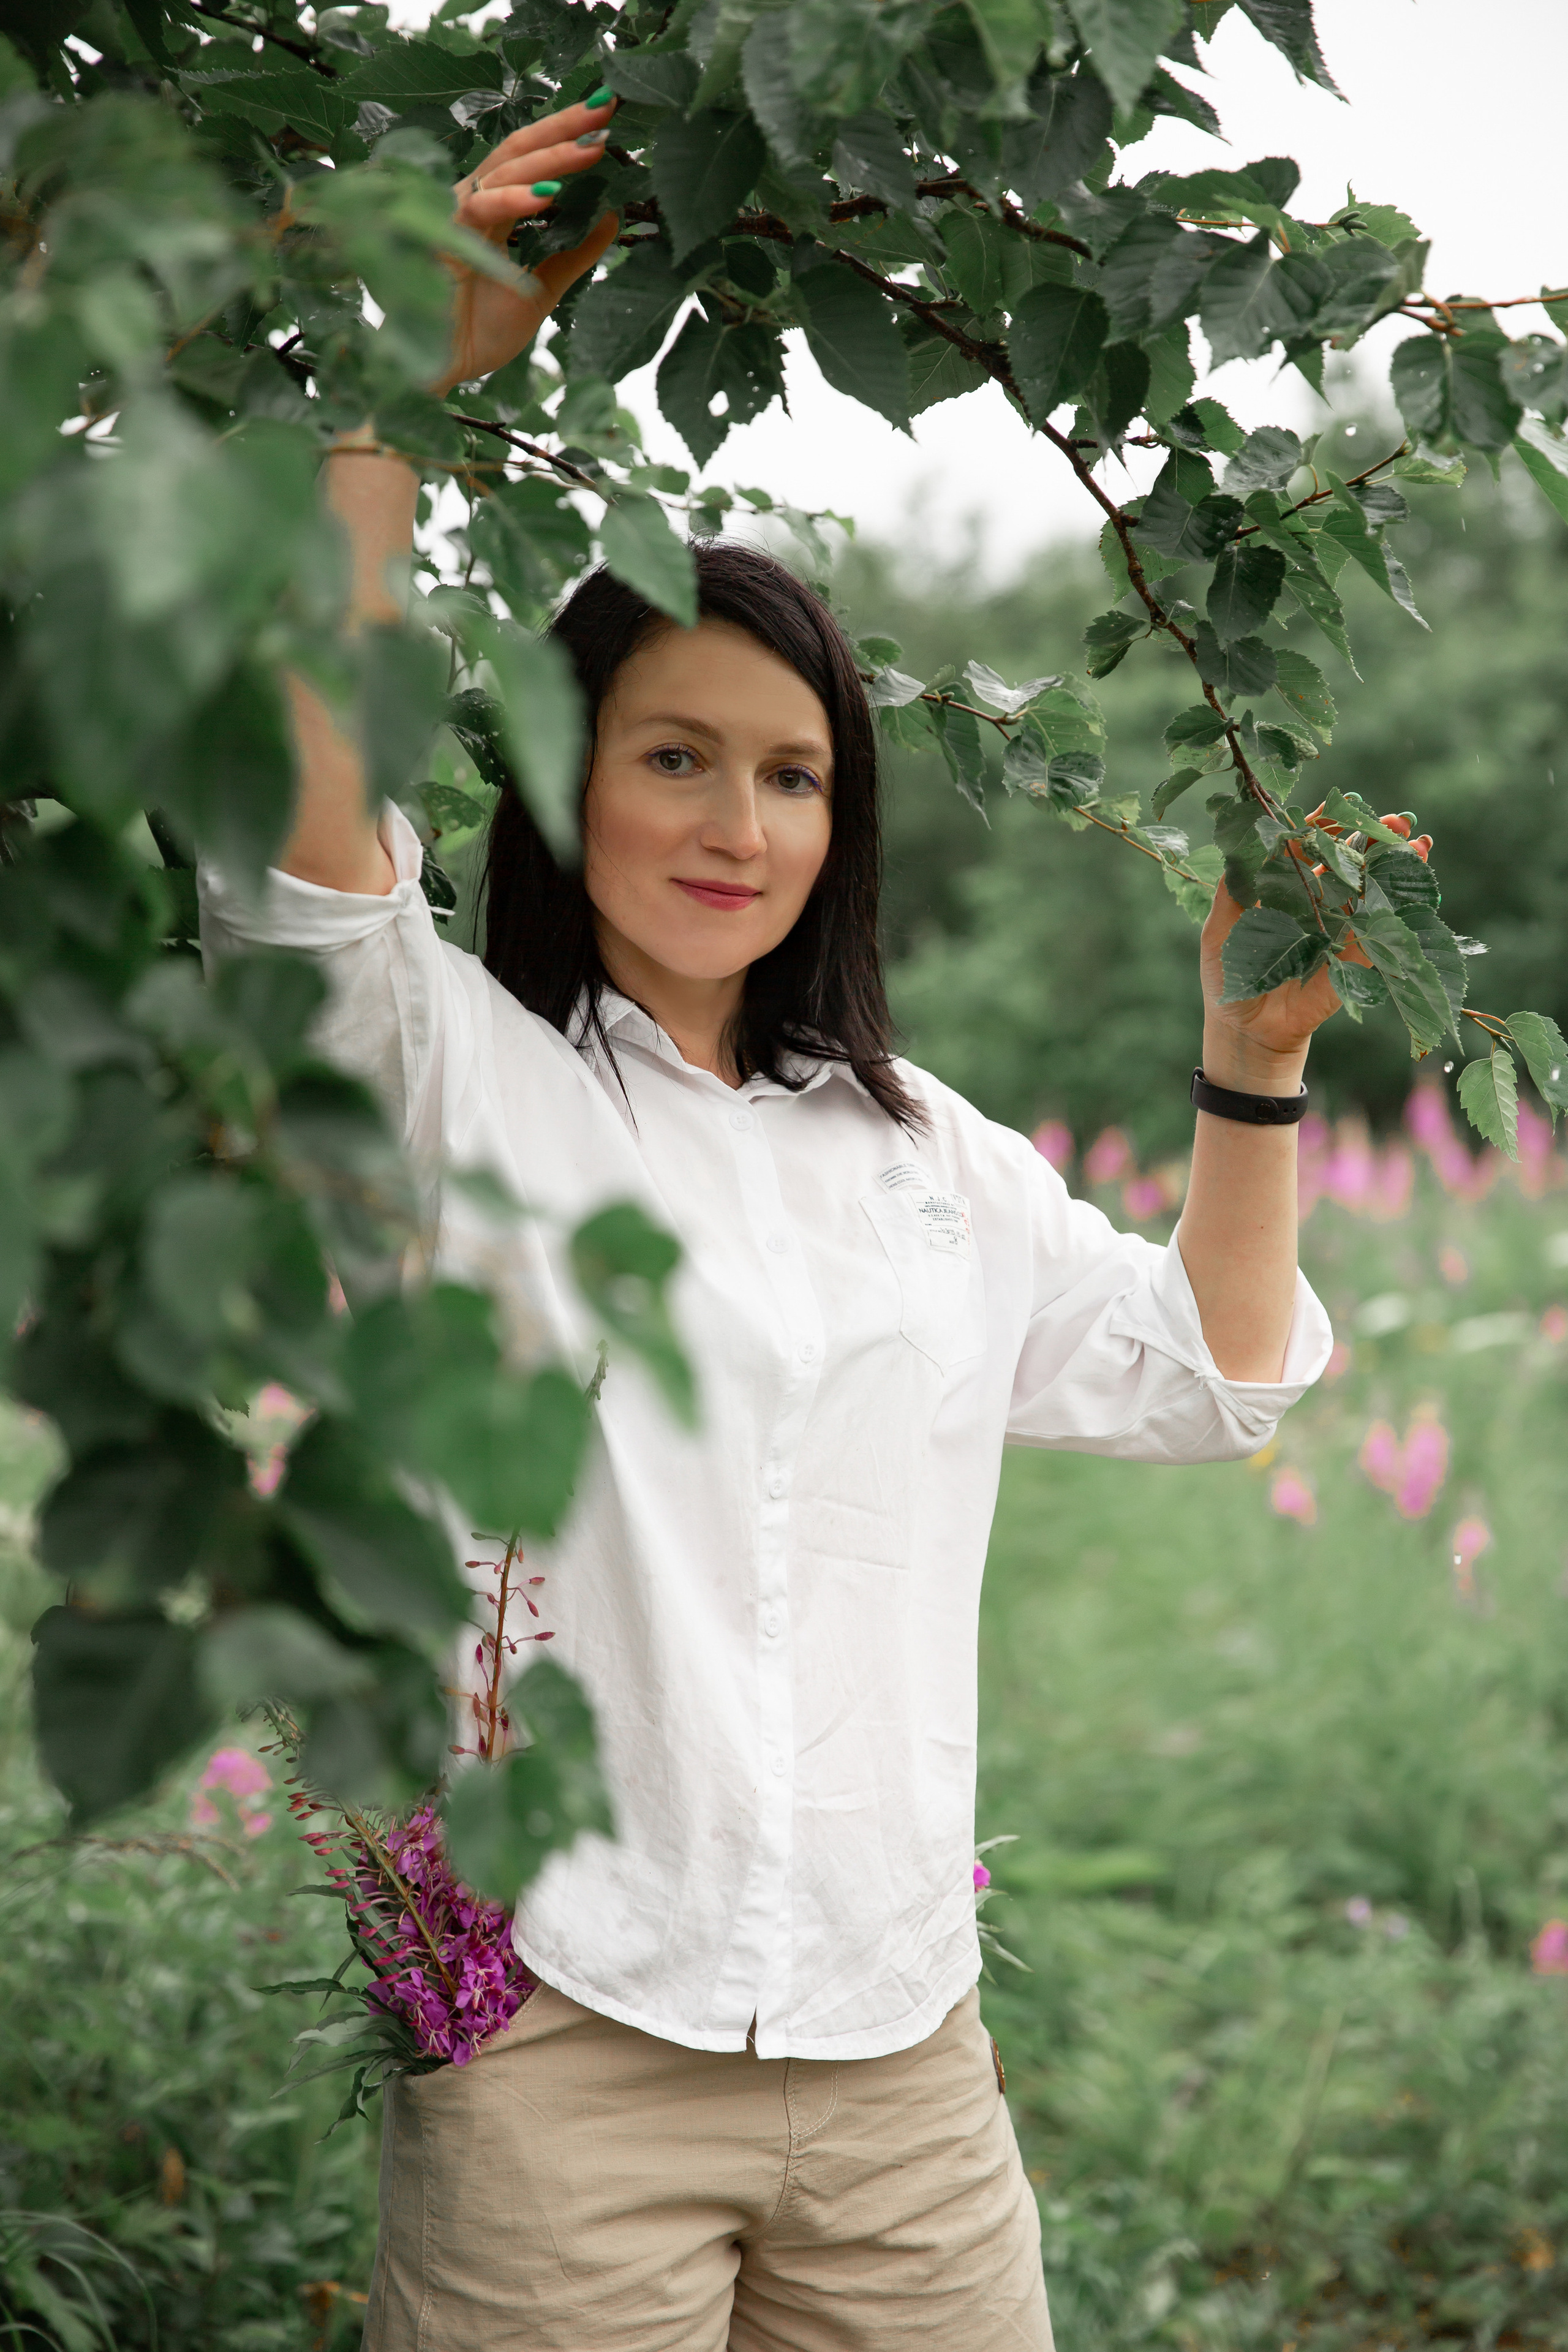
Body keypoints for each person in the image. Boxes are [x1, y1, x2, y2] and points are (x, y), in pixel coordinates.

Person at [199, 90, 1343, 2352]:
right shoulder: (447, 1072)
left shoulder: (920, 1149)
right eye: (674, 755)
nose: (741, 822)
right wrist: (414, 381)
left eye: (795, 770)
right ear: (560, 774)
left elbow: (1212, 1373)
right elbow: (294, 811)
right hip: (565, 2059)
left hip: (907, 2064)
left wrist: (1258, 1070)